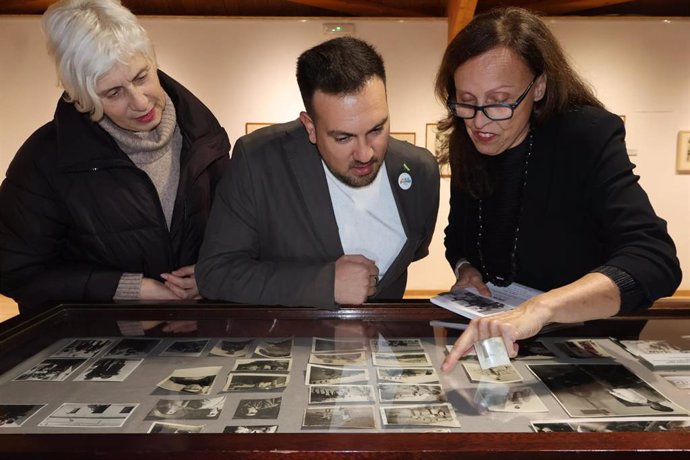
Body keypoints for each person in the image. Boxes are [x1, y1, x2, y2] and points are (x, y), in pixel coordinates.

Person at [438, 7, 681, 371]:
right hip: (500, 343)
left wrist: (542, 308)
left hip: (587, 346)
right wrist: (467, 270)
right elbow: (457, 238)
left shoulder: (585, 136)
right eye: (467, 101)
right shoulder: (467, 143)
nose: (479, 121)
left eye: (500, 101)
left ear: (538, 87)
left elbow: (654, 259)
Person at [0, 0, 230, 315]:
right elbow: (15, 271)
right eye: (113, 93)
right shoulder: (43, 161)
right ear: (82, 98)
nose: (140, 102)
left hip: (200, 332)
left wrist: (213, 274)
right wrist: (127, 289)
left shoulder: (205, 136)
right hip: (100, 338)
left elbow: (239, 236)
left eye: (141, 77)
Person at [196, 36, 439, 308]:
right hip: (290, 344)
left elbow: (415, 251)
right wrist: (324, 284)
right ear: (310, 126)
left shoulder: (420, 172)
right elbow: (215, 273)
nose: (365, 154)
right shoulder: (258, 160)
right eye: (343, 138)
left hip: (383, 343)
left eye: (376, 129)